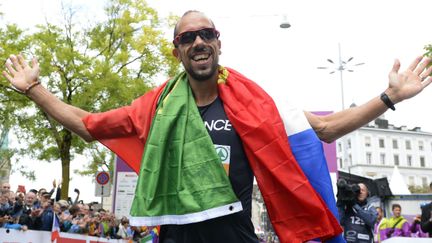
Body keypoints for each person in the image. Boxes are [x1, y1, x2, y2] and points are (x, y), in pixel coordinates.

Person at [3, 10, 432, 243]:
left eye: (206, 33)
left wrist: (389, 97)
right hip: (174, 239)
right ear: (177, 52)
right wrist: (34, 88)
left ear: (219, 42)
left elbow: (324, 130)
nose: (198, 42)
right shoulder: (155, 107)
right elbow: (87, 123)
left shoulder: (257, 105)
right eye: (188, 38)